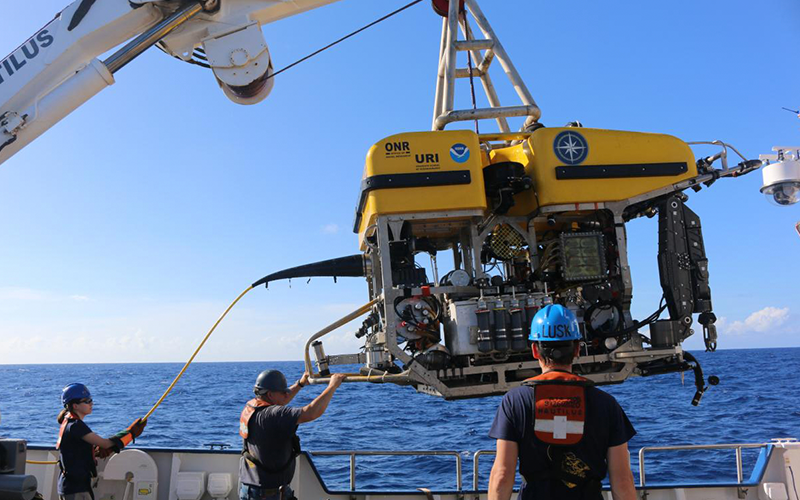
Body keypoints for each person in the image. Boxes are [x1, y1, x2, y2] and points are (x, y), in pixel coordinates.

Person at [487, 305, 637, 500]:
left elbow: (502, 476)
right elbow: (622, 481)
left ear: (534, 350)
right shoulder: (606, 404)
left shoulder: (515, 402)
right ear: (576, 349)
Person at [239, 370, 347, 500]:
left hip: (251, 489)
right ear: (270, 394)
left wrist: (300, 384)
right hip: (268, 494)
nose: (286, 394)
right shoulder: (273, 415)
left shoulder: (251, 407)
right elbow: (311, 412)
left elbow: (281, 401)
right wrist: (332, 386)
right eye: (283, 391)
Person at [56, 383, 146, 500]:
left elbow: (76, 450)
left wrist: (93, 452)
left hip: (72, 485)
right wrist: (131, 433)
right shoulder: (76, 426)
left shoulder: (70, 423)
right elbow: (105, 444)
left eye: (91, 400)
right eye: (86, 401)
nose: (91, 403)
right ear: (75, 405)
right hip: (75, 488)